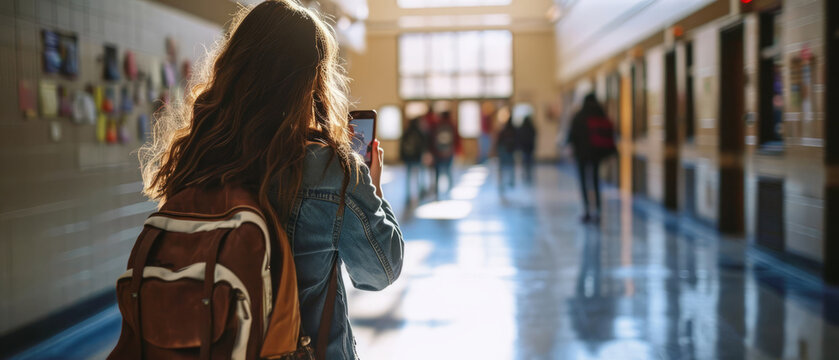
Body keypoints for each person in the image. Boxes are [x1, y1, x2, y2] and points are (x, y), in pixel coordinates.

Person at [139, 1, 404, 359]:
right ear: (312, 79)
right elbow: (380, 271)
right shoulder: (329, 168)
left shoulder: (201, 152)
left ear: (236, 68)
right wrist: (371, 186)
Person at [566, 93, 616, 222]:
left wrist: (572, 149)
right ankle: (598, 211)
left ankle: (587, 210)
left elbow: (571, 136)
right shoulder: (601, 114)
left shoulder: (579, 116)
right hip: (596, 154)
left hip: (581, 155)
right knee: (595, 181)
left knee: (583, 182)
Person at [430, 111, 459, 197]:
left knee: (438, 173)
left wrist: (433, 151)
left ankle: (437, 192)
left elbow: (432, 140)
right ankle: (449, 191)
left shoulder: (437, 125)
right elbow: (456, 139)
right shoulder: (452, 126)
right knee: (448, 172)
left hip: (438, 153)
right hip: (449, 152)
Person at [401, 117, 427, 201]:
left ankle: (408, 194)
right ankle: (420, 192)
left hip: (408, 157)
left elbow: (402, 145)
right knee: (419, 175)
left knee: (408, 176)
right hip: (417, 157)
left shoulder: (406, 132)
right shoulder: (419, 132)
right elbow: (423, 145)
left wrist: (402, 156)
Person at [496, 117, 518, 191]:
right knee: (511, 166)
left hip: (503, 150)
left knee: (502, 167)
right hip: (510, 150)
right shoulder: (514, 130)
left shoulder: (504, 130)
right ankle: (511, 181)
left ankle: (502, 182)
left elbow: (499, 140)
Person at [517, 114, 537, 184]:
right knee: (529, 160)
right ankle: (529, 173)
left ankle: (525, 173)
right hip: (530, 147)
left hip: (524, 147)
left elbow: (519, 137)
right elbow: (534, 136)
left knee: (525, 160)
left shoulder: (522, 128)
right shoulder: (532, 128)